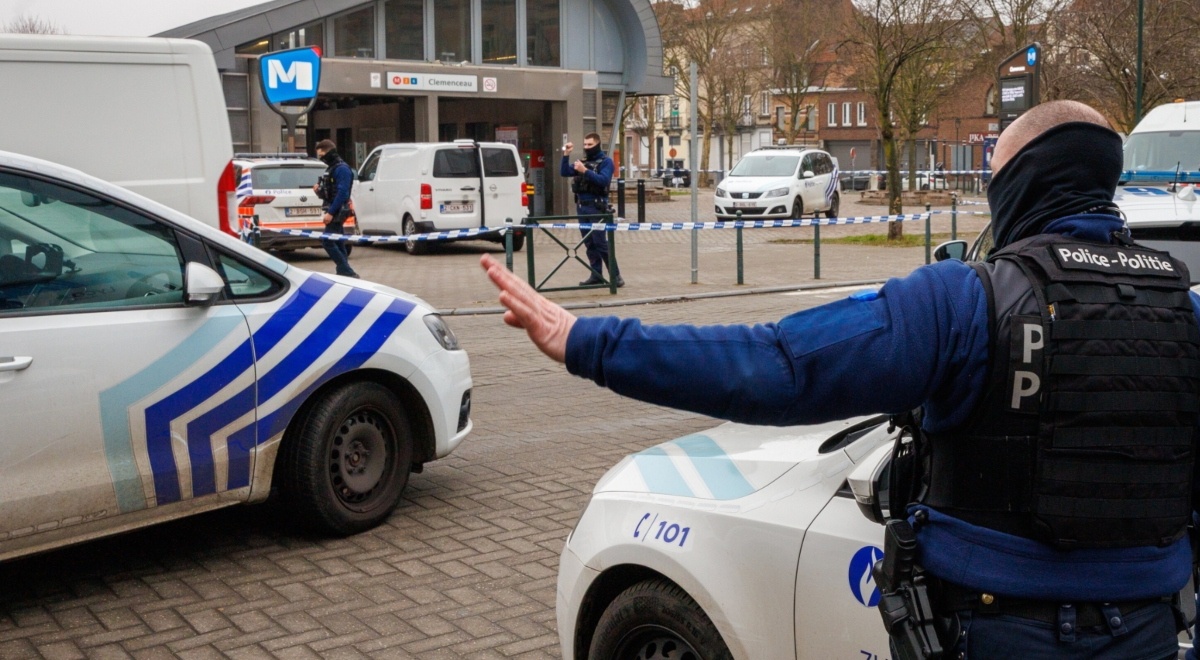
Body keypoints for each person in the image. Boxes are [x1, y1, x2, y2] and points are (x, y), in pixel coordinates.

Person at [482, 100, 1200, 659]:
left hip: (996, 630)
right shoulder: (1186, 310)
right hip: (1147, 631)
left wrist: (586, 339)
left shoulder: (962, 300)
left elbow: (774, 366)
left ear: (1020, 184)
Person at [561, 132, 623, 287]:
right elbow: (564, 172)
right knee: (589, 243)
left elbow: (603, 181)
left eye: (590, 145)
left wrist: (585, 171)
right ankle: (596, 275)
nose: (587, 147)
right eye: (585, 145)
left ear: (597, 144)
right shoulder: (583, 162)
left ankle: (616, 277)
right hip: (582, 207)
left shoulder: (606, 162)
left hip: (597, 207)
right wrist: (566, 155)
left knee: (600, 242)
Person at [313, 139, 359, 279]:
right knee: (338, 240)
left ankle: (346, 271)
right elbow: (329, 192)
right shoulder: (332, 168)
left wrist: (331, 213)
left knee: (327, 240)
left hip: (338, 209)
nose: (321, 159)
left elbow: (342, 193)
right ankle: (343, 271)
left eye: (322, 155)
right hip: (334, 207)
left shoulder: (342, 169)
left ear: (329, 152)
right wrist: (318, 191)